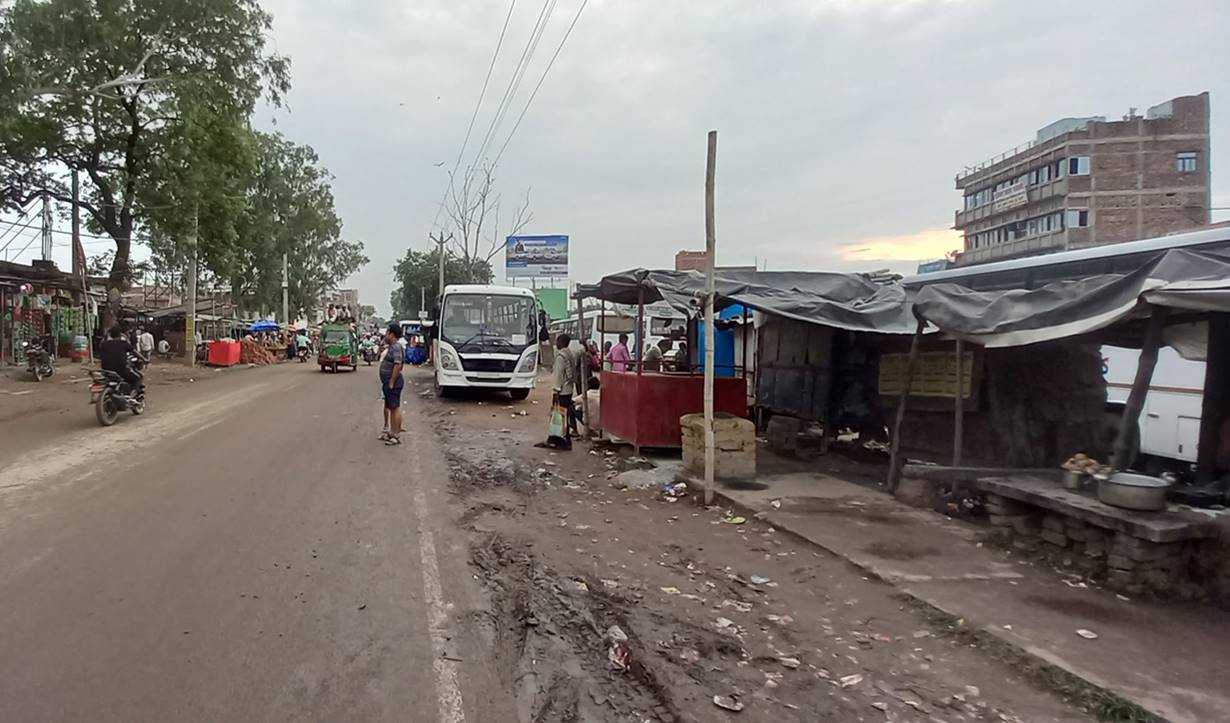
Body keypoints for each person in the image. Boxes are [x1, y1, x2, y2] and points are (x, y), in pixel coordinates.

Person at [539, 333, 576, 450]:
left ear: (561, 342)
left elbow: (558, 376)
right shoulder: (570, 354)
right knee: (562, 416)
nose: (556, 344)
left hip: (562, 391)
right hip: (569, 389)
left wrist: (555, 391)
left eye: (557, 342)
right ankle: (558, 440)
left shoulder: (561, 357)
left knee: (559, 417)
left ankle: (563, 441)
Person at [379, 323, 406, 446]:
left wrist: (392, 381)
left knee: (394, 408)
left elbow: (398, 365)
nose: (385, 335)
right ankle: (392, 432)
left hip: (392, 382)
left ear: (392, 334)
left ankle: (396, 435)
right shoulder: (393, 347)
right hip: (389, 381)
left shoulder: (395, 347)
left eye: (387, 333)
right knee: (391, 406)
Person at [99, 326, 143, 394]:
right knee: (138, 378)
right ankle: (132, 395)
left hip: (106, 371)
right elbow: (135, 352)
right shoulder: (123, 343)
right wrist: (144, 359)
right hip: (121, 370)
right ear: (120, 334)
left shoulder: (104, 344)